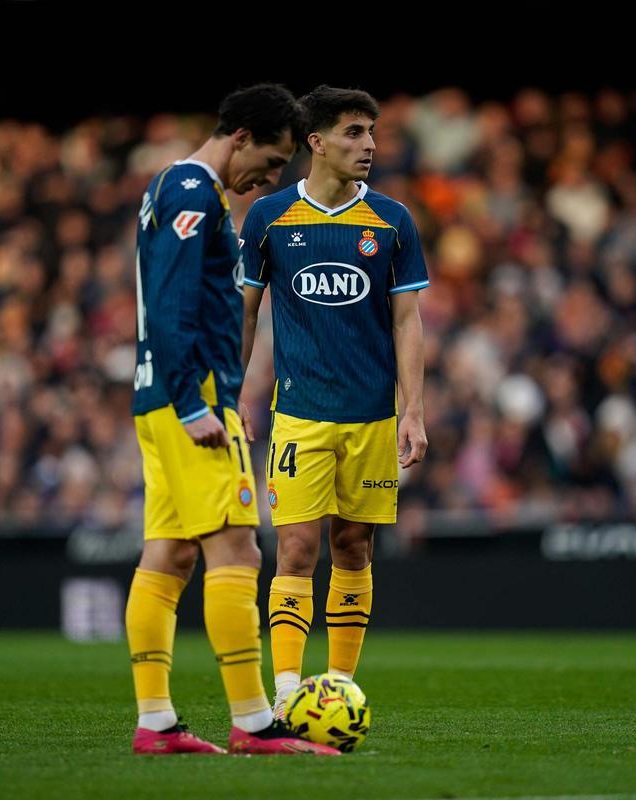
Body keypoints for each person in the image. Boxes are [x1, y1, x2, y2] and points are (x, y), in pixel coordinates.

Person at [128, 84, 337, 755]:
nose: (270, 180)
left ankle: (156, 722)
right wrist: (195, 402)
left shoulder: (183, 188)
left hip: (158, 395)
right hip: (185, 396)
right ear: (240, 135)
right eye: (272, 163)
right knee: (237, 549)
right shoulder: (193, 189)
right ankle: (254, 723)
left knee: (170, 551)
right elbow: (170, 303)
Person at [239, 86, 429, 717]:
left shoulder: (393, 221)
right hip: (299, 416)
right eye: (353, 132)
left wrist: (415, 410)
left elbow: (408, 322)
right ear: (316, 142)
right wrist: (238, 395)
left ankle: (340, 687)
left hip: (372, 417)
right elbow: (245, 313)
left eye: (371, 132)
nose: (369, 144)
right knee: (295, 548)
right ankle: (289, 693)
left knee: (354, 547)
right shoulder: (269, 219)